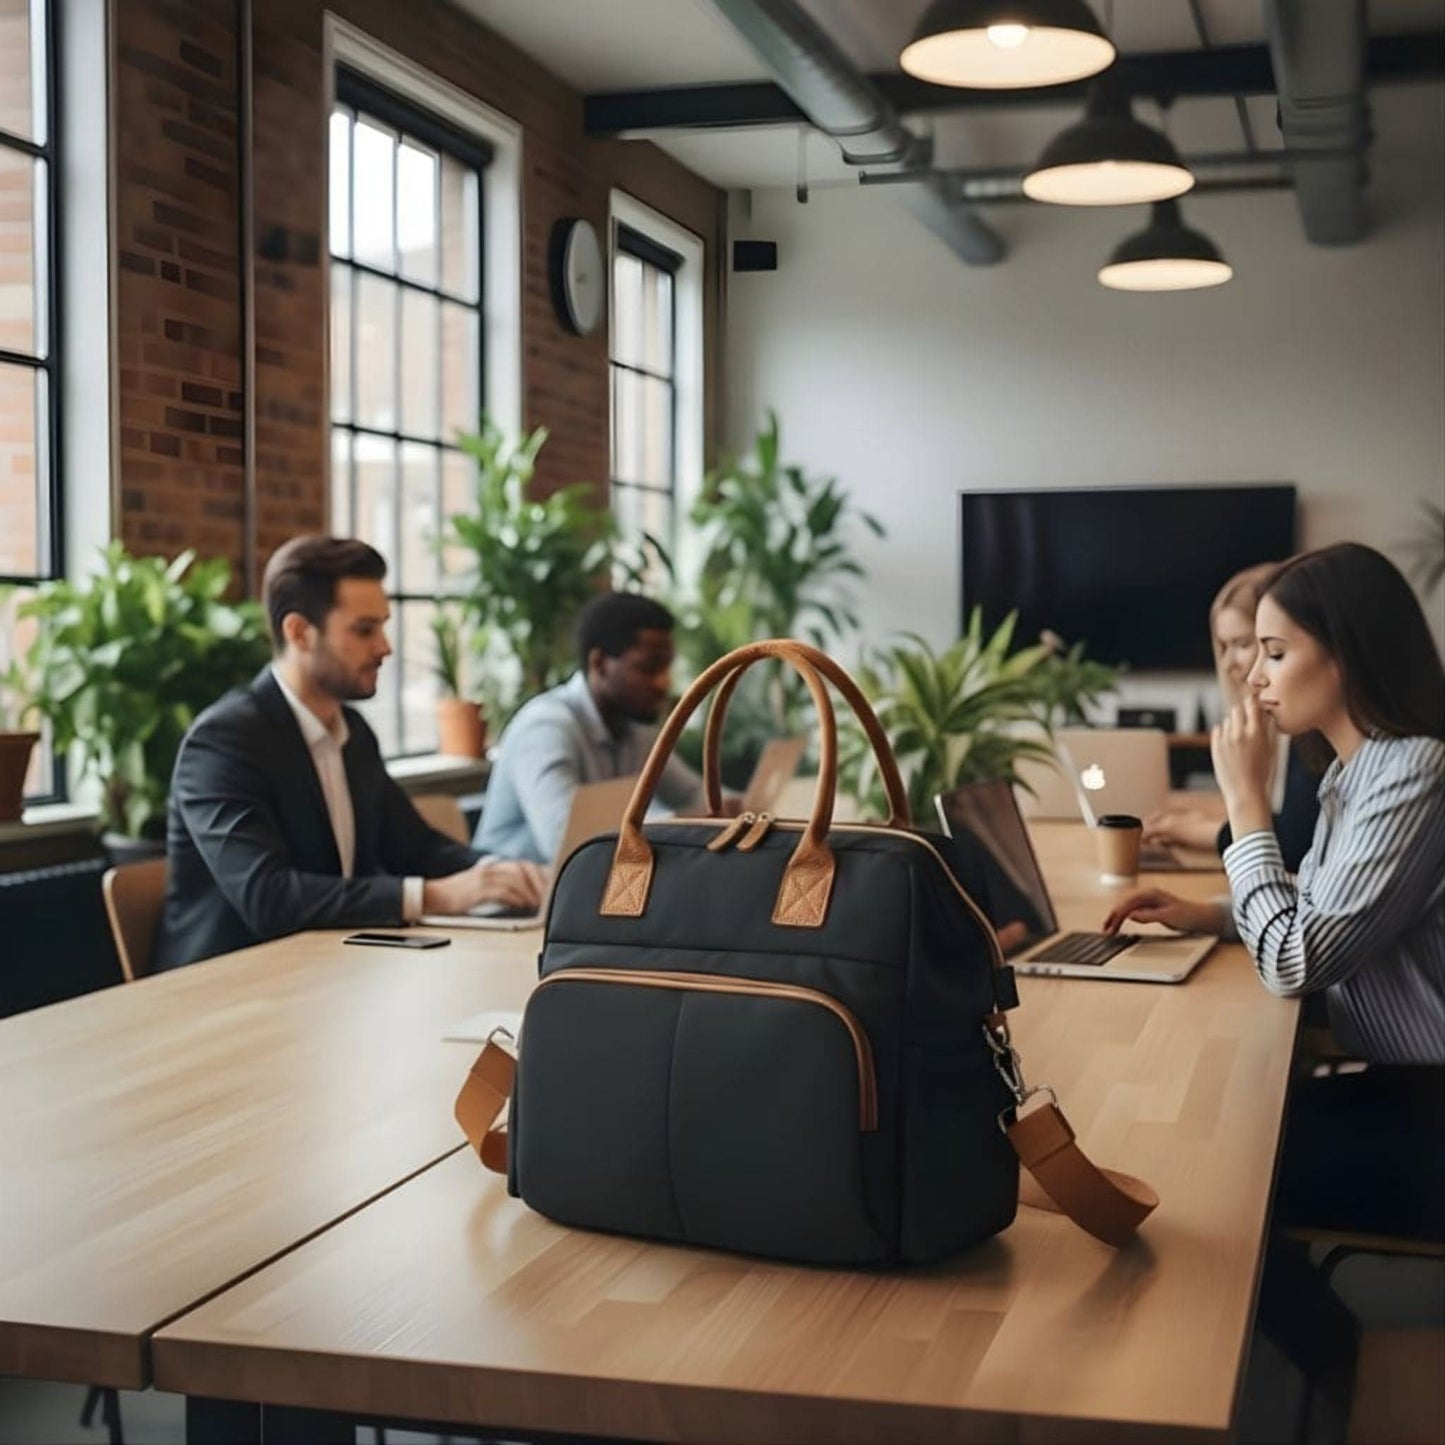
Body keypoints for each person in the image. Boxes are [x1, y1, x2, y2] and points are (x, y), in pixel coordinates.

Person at [1102, 543, 1444, 1433]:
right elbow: (1324, 914)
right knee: (1218, 1141)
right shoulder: (1357, 772)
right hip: (1402, 1089)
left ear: (1349, 652)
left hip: (1431, 1112)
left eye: (1274, 651)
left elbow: (1295, 958)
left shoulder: (1415, 771)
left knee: (1212, 1183)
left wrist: (1245, 805)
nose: (1251, 676)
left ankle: (1342, 1365)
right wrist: (1214, 914)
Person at [154, 537, 546, 971]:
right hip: (226, 989)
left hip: (330, 973)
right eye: (364, 630)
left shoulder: (353, 732)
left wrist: (504, 873)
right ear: (299, 632)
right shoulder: (224, 741)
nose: (384, 647)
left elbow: (415, 847)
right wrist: (439, 895)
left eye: (383, 625)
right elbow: (268, 898)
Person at [475, 592, 737, 863]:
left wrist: (739, 810)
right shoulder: (545, 728)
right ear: (599, 664)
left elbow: (693, 793)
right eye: (649, 668)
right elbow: (568, 844)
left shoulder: (637, 728)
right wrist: (686, 821)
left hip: (588, 885)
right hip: (516, 895)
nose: (664, 683)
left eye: (667, 667)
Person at [1141, 560, 1319, 872]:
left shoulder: (1311, 730)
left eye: (1242, 644)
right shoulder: (1274, 727)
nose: (1227, 663)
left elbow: (1295, 843)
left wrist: (1199, 831)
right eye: (1222, 646)